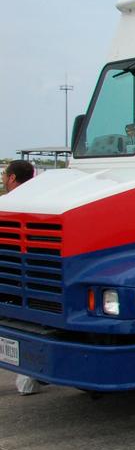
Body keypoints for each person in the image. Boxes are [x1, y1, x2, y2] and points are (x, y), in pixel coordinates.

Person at [3, 162, 43, 394]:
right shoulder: (41, 199)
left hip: (16, 274)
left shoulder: (12, 204)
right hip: (31, 277)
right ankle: (29, 379)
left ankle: (29, 379)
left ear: (12, 178)